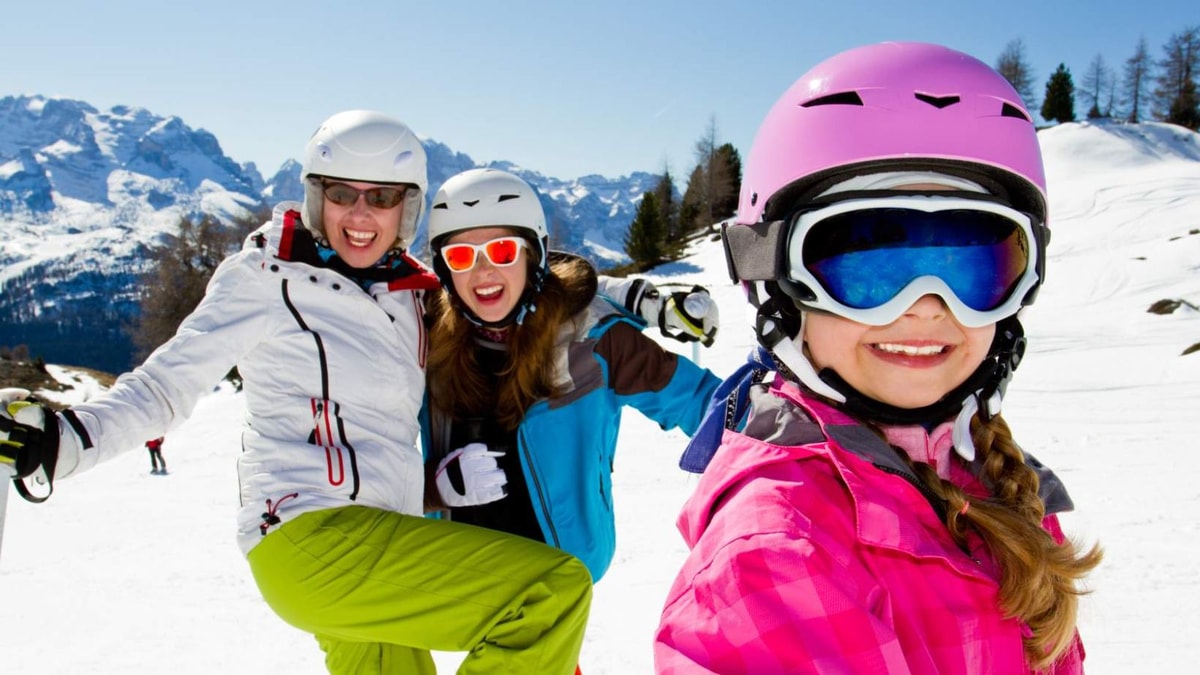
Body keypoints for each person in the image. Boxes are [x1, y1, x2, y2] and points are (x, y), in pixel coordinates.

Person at [0, 110, 592, 675]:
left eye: (382, 197)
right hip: (314, 536)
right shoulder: (266, 277)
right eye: (342, 193)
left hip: (388, 540)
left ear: (406, 208)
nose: (361, 213)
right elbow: (165, 384)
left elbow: (522, 286)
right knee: (550, 594)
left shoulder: (411, 294)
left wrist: (639, 296)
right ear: (316, 197)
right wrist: (67, 437)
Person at [654, 42, 1103, 674]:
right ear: (776, 281)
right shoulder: (779, 553)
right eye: (869, 264)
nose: (925, 306)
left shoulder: (994, 478)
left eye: (969, 265)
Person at [420, 168, 723, 583]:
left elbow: (706, 406)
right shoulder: (422, 342)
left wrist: (778, 471)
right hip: (459, 575)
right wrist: (430, 488)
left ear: (533, 255)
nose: (483, 271)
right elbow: (358, 453)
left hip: (560, 570)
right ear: (444, 269)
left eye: (503, 251)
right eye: (461, 256)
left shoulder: (593, 342)